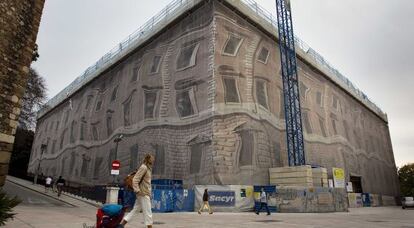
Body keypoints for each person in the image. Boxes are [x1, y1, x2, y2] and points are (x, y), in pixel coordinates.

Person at [121, 154, 154, 228]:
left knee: (135, 210)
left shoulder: (148, 168)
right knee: (148, 212)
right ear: (148, 159)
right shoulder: (144, 167)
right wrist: (137, 190)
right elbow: (135, 179)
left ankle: (122, 224)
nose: (153, 160)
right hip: (143, 193)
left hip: (145, 193)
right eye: (152, 159)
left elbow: (147, 183)